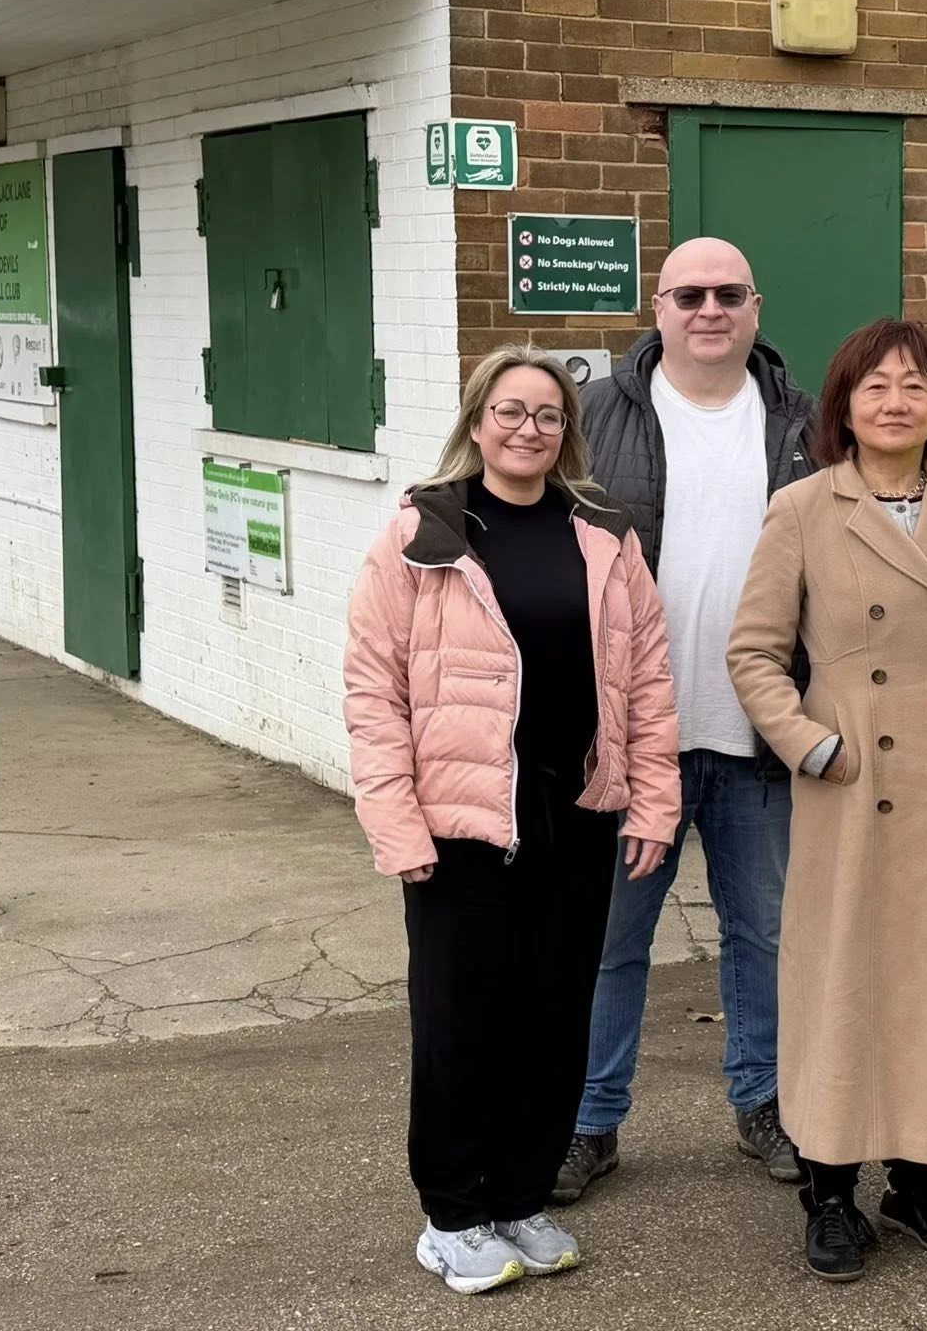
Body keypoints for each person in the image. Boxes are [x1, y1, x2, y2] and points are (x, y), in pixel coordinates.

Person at [343, 345, 680, 1295]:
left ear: (567, 431)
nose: (529, 429)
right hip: (460, 824)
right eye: (510, 411)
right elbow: (374, 690)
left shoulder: (604, 536)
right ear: (477, 421)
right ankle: (454, 1216)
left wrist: (654, 799)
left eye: (548, 414)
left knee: (552, 1017)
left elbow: (647, 679)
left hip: (576, 817)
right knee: (461, 1023)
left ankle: (521, 1196)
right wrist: (396, 823)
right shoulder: (422, 533)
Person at [726, 319, 927, 1284]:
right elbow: (754, 652)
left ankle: (918, 1181)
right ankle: (828, 1190)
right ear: (844, 407)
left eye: (915, 386)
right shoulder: (803, 508)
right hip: (852, 790)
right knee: (844, 984)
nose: (896, 402)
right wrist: (811, 744)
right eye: (876, 387)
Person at [555, 236, 817, 1203]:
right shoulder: (594, 414)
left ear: (756, 308)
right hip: (632, 741)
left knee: (765, 936)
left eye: (729, 294)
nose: (711, 310)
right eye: (691, 294)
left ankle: (766, 1103)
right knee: (608, 944)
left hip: (762, 734)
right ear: (659, 307)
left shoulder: (805, 421)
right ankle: (588, 1121)